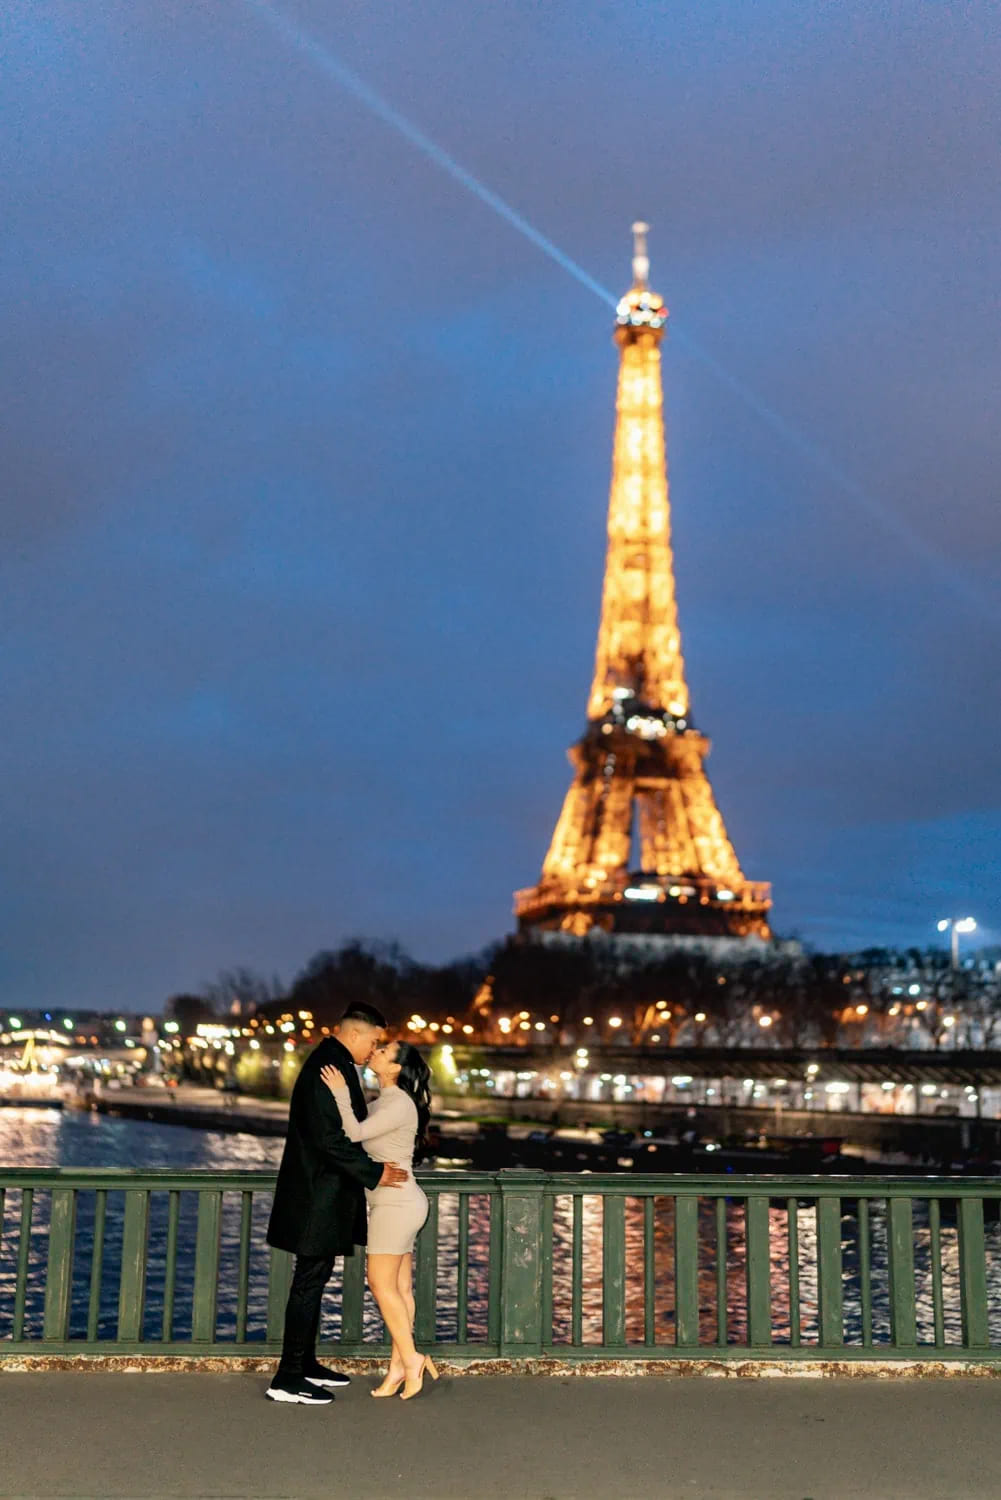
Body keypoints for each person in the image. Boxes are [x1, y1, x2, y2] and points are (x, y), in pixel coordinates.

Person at [265, 1003, 408, 1405]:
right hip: (318, 1193)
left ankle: (304, 1363)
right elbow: (331, 1140)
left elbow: (339, 1131)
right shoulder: (331, 1067)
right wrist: (374, 1173)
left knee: (314, 1278)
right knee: (309, 1281)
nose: (374, 1049)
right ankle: (288, 1376)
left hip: (319, 1191)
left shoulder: (331, 1062)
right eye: (374, 1041)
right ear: (356, 1034)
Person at [320, 1039, 438, 1400]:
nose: (377, 1051)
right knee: (400, 1289)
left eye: (384, 1051)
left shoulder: (398, 1103)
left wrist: (340, 1092)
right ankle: (398, 1367)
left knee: (379, 1283)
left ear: (395, 1068)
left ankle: (412, 1358)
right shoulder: (385, 1102)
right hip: (397, 1201)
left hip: (395, 1205)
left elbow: (353, 1133)